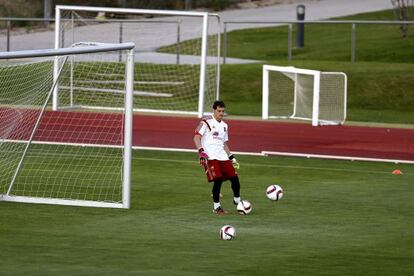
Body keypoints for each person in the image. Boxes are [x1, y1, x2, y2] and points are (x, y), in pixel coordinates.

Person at [193, 100, 241, 215]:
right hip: (210, 156)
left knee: (234, 178)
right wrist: (201, 151)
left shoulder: (225, 126)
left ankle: (238, 201)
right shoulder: (206, 121)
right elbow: (196, 137)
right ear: (214, 110)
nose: (221, 113)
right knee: (218, 180)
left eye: (223, 111)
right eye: (219, 111)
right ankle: (216, 207)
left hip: (222, 156)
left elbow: (224, 143)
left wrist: (231, 157)